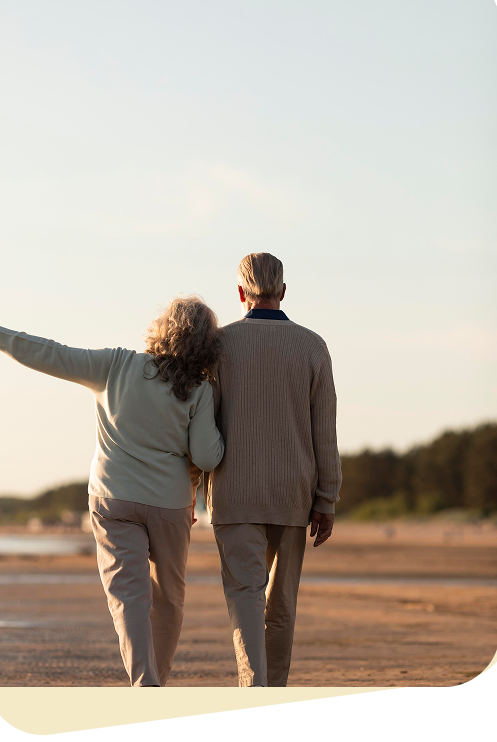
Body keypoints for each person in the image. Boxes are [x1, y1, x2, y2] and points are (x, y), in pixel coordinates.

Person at [0, 295, 225, 687]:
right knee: (169, 598)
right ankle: (157, 683)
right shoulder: (200, 389)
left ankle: (145, 684)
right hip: (170, 504)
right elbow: (206, 457)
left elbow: (55, 355)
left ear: (162, 328)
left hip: (112, 497)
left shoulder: (117, 364)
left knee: (130, 598)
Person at [193, 252, 342, 687]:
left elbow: (203, 426)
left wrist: (189, 489)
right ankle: (272, 689)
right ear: (282, 291)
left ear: (240, 292)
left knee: (244, 597)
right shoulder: (313, 346)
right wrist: (326, 499)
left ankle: (252, 688)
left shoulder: (219, 346)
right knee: (281, 605)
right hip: (294, 494)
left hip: (234, 492)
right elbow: (325, 431)